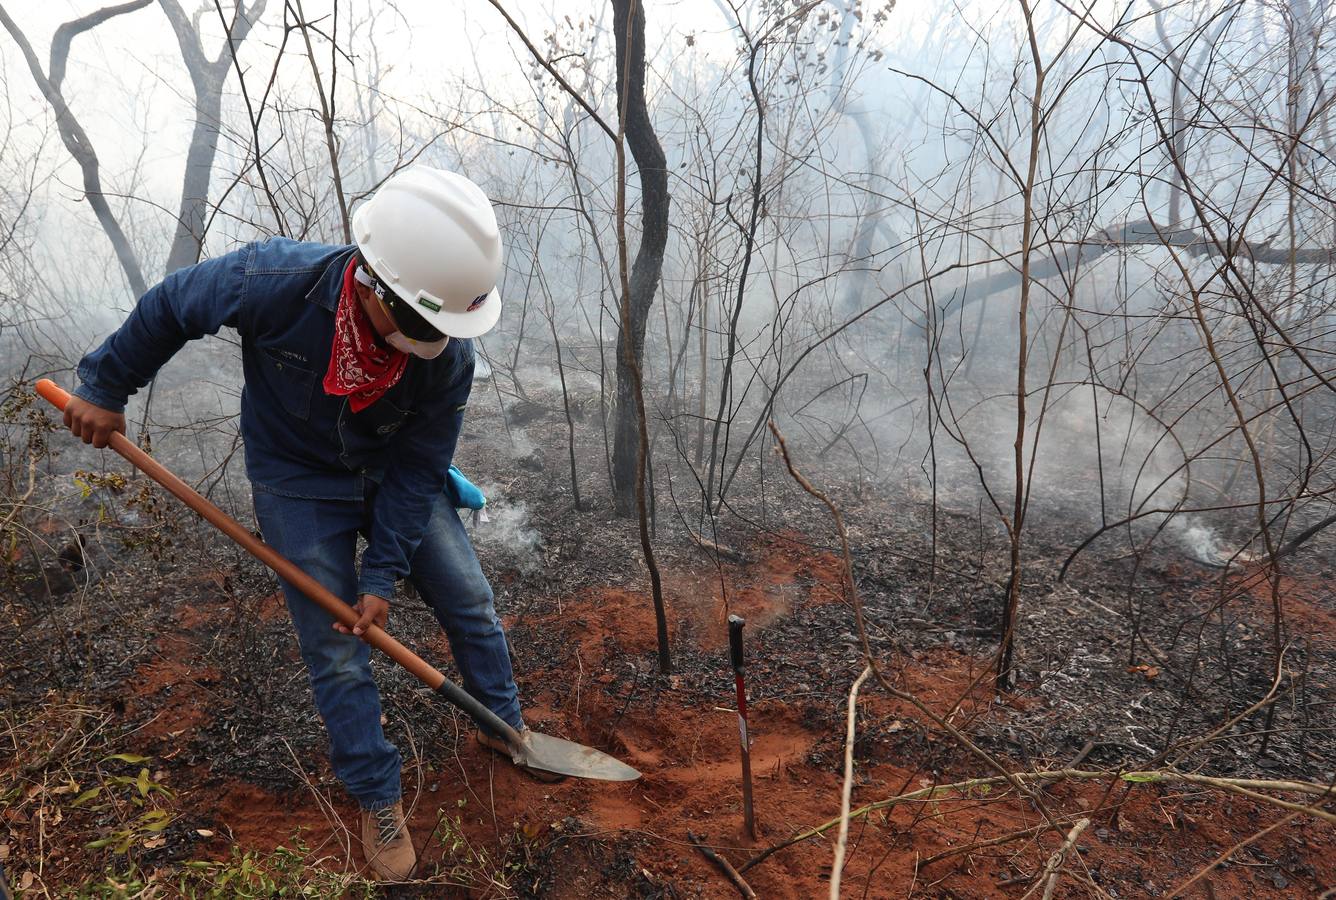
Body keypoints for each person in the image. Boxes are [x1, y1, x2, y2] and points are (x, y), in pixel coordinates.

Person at [61, 166, 544, 881]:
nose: (433, 341)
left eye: (444, 328)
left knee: (469, 599)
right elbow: (171, 306)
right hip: (298, 481)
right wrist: (105, 385)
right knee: (337, 645)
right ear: (373, 283)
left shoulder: (448, 356)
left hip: (392, 470)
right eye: (421, 326)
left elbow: (419, 470)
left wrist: (383, 575)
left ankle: (503, 727)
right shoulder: (271, 281)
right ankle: (377, 796)